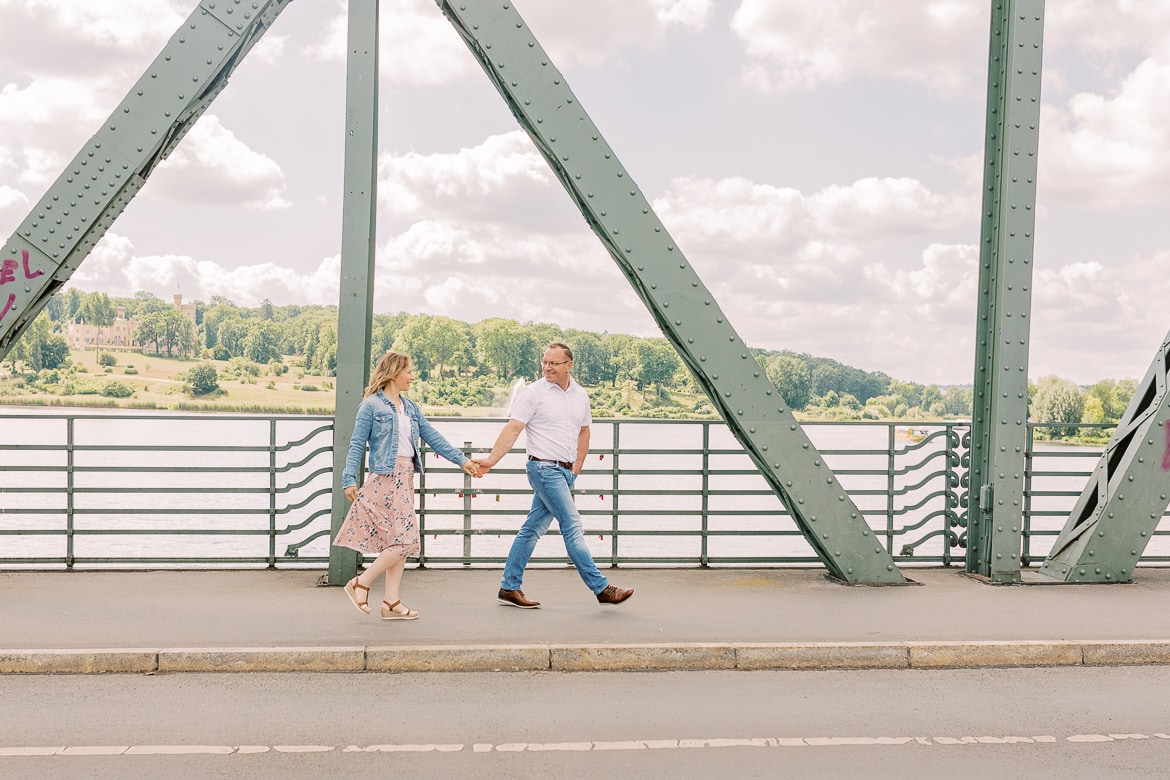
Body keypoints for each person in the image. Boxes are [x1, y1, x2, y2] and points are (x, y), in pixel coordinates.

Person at [476, 343, 633, 608]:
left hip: (566, 471)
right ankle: (601, 588)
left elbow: (585, 430)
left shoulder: (580, 395)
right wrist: (491, 460)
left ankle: (509, 587)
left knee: (532, 529)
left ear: (568, 365)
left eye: (553, 363)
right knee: (572, 525)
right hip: (543, 469)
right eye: (544, 362)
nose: (547, 367)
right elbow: (513, 429)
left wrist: (579, 463)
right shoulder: (533, 394)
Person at [335, 350, 481, 620]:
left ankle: (390, 601)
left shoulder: (410, 407)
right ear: (394, 373)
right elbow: (356, 444)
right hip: (384, 479)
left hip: (405, 479)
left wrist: (462, 461)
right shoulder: (371, 406)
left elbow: (433, 437)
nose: (413, 376)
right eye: (409, 371)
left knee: (398, 540)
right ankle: (361, 582)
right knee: (407, 541)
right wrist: (348, 479)